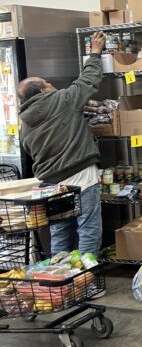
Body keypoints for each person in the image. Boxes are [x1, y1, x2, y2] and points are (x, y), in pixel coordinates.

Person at [19, 31, 107, 257]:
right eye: (48, 84)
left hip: (50, 183)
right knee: (88, 227)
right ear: (42, 90)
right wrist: (95, 53)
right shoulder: (62, 100)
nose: (52, 86)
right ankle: (87, 279)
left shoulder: (25, 123)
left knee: (60, 230)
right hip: (80, 176)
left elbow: (29, 150)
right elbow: (88, 81)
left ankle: (63, 282)